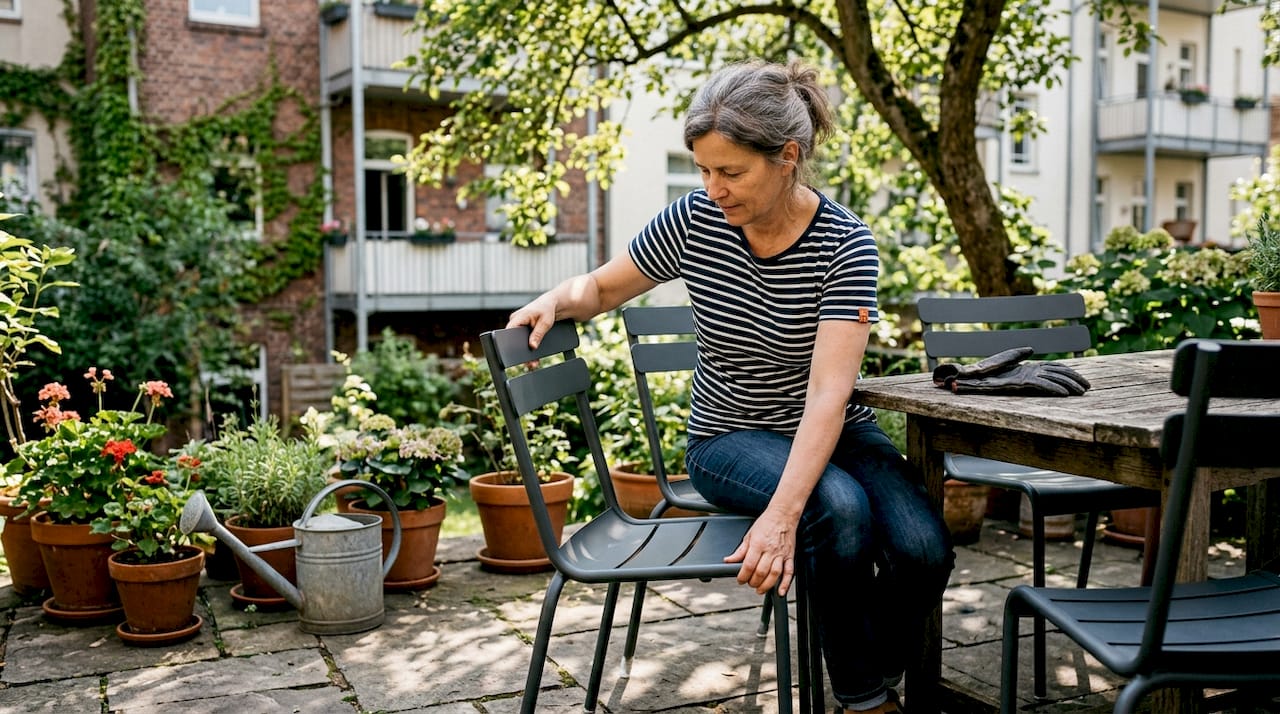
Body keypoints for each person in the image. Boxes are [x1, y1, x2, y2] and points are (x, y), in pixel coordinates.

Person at [507, 58, 955, 714]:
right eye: (704, 169)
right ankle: (865, 698)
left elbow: (830, 394)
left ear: (787, 157)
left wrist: (781, 516)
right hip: (729, 438)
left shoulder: (845, 244)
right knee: (841, 510)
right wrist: (558, 297)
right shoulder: (694, 222)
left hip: (832, 429)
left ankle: (867, 662)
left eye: (731, 172)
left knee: (923, 550)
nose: (713, 188)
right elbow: (604, 286)